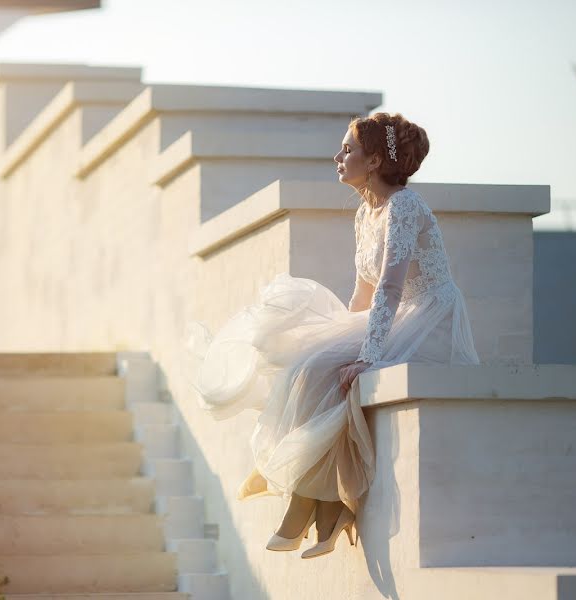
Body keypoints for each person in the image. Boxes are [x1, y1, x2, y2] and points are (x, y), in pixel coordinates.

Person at [180, 112, 480, 559]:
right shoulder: (366, 212)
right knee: (310, 358)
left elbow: (393, 287)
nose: (338, 156)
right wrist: (337, 336)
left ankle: (317, 502)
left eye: (349, 149)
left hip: (427, 319)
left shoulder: (404, 206)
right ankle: (317, 500)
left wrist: (369, 355)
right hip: (393, 315)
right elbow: (363, 291)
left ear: (375, 159)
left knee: (328, 368)